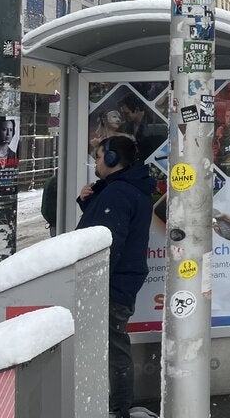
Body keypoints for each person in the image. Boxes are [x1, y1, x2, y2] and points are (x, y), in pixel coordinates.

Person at [76, 135, 156, 418]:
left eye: (98, 157)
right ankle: (117, 405)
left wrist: (91, 282)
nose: (96, 162)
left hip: (110, 282)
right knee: (113, 342)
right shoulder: (123, 189)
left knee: (112, 346)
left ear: (112, 159)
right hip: (120, 279)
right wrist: (90, 200)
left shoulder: (118, 192)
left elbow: (109, 239)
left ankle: (118, 407)